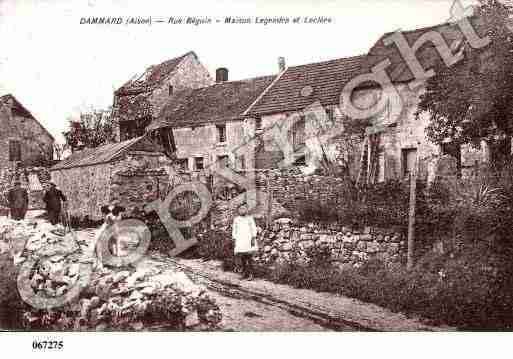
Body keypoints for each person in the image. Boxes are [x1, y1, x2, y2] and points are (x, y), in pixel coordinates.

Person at [231, 204, 258, 280]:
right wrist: (234, 238)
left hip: (248, 239)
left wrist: (253, 237)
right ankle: (244, 273)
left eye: (243, 209)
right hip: (240, 240)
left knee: (249, 257)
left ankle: (251, 274)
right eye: (240, 209)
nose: (242, 210)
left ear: (246, 210)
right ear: (238, 210)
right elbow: (234, 230)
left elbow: (253, 228)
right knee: (241, 257)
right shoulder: (236, 219)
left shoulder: (250, 218)